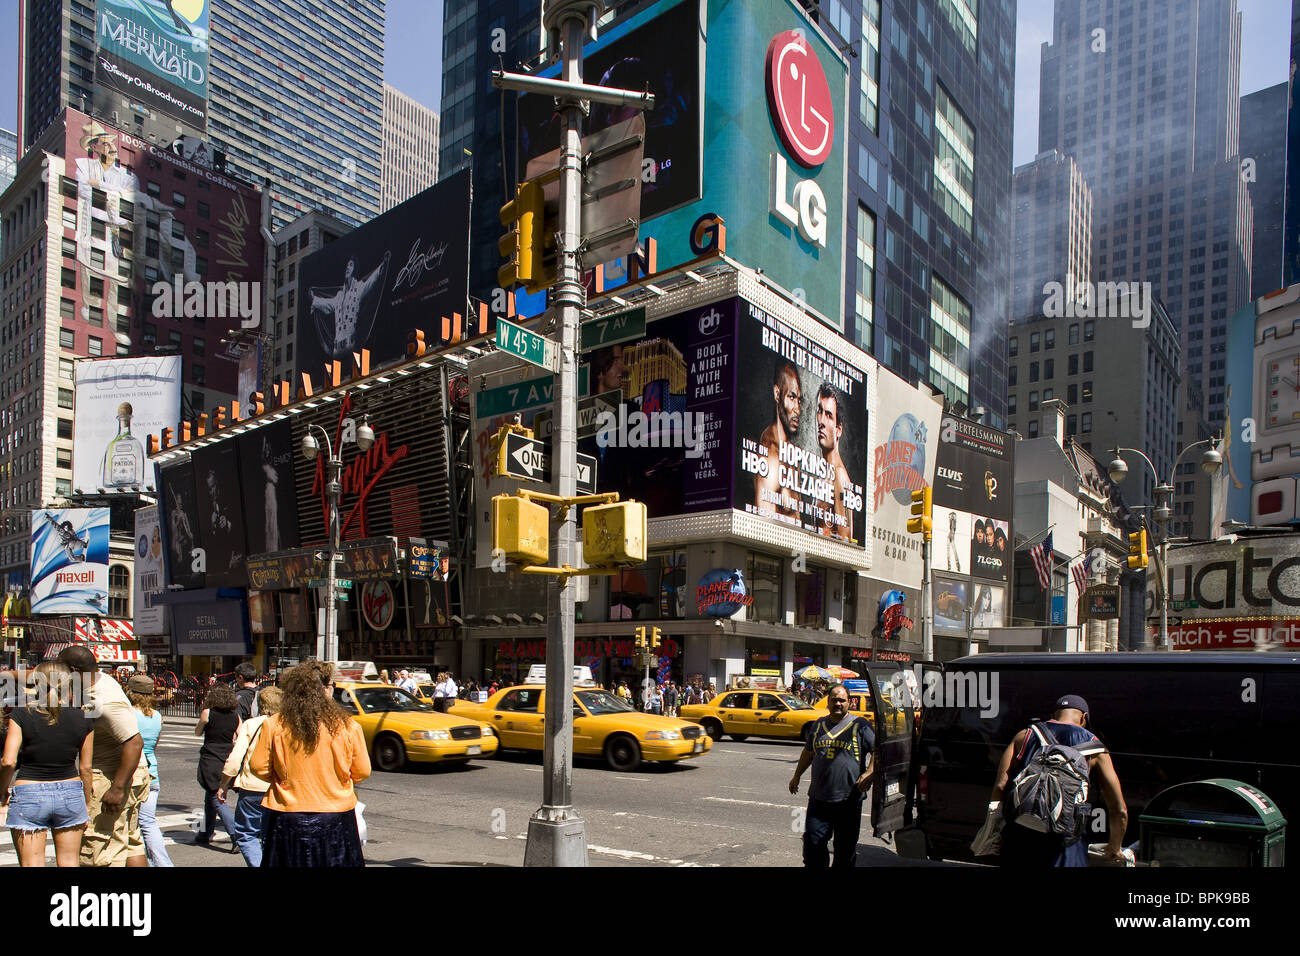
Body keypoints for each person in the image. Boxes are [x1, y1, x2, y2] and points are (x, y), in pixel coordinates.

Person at [248, 662, 371, 867]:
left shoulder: (275, 724)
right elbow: (362, 771)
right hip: (336, 814)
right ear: (326, 689)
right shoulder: (348, 726)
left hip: (287, 813)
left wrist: (283, 778)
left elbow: (258, 766)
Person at [990, 694, 1128, 867]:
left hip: (1020, 832)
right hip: (1066, 843)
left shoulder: (1025, 735)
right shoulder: (1096, 747)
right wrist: (1114, 847)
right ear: (1084, 718)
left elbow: (1001, 785)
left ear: (1054, 714)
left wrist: (993, 831)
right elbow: (1119, 809)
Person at [57, 646, 149, 867]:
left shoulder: (102, 701)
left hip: (112, 776)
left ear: (72, 670)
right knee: (130, 842)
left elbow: (134, 742)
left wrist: (117, 788)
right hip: (132, 773)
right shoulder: (101, 679)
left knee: (99, 848)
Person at [0, 662, 94, 867]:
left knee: (32, 863)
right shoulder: (84, 718)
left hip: (29, 791)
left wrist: (2, 792)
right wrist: (86, 803)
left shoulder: (21, 714)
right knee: (70, 862)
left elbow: (8, 761)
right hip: (70, 792)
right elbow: (86, 768)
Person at [788, 683, 875, 867]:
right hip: (819, 799)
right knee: (812, 842)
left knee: (845, 849)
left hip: (848, 800)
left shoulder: (860, 725)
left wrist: (870, 771)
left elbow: (879, 751)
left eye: (842, 700)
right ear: (827, 702)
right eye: (834, 700)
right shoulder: (818, 725)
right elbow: (808, 753)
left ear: (849, 702)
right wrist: (796, 776)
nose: (838, 703)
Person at [218, 686, 283, 868]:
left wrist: (224, 784)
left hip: (252, 787)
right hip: (278, 788)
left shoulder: (251, 724)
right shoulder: (288, 725)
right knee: (273, 834)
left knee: (247, 834)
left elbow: (235, 759)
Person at [127, 675, 173, 867]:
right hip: (152, 772)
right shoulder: (157, 716)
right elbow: (153, 746)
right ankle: (163, 863)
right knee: (148, 822)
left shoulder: (128, 713)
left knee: (128, 823)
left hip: (133, 772)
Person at [754, 359, 803, 523]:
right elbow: (763, 522)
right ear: (777, 394)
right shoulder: (771, 452)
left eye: (799, 400)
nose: (798, 408)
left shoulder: (789, 451)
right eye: (791, 397)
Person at [194, 683, 241, 850]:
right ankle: (205, 832)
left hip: (210, 758)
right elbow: (238, 737)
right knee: (211, 796)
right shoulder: (235, 716)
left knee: (216, 797)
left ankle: (236, 836)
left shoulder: (208, 713)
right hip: (227, 757)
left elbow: (198, 732)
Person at [815, 384, 852, 541]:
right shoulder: (826, 471)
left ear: (838, 429)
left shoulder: (839, 476)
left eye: (829, 415)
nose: (821, 421)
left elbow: (845, 540)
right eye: (819, 411)